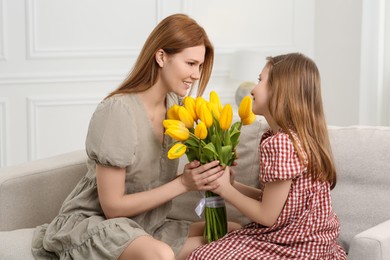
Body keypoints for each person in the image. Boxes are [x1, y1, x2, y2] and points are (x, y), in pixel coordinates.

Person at [31, 13, 233, 260]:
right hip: (97, 223)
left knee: (231, 232)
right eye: (191, 64)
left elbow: (195, 169)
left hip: (147, 225)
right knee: (159, 254)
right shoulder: (118, 111)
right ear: (161, 57)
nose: (197, 74)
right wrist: (183, 183)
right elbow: (113, 207)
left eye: (200, 66)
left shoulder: (177, 107)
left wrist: (218, 169)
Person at [187, 53, 347, 259]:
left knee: (203, 255)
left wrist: (224, 189)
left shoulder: (281, 143)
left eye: (261, 80)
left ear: (280, 89)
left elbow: (267, 216)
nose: (253, 89)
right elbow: (280, 203)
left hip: (292, 246)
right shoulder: (296, 138)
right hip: (313, 244)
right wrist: (233, 185)